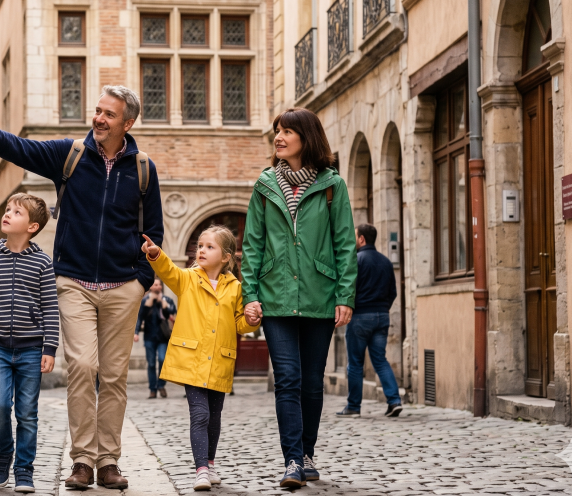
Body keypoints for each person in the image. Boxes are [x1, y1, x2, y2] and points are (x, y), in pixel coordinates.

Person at [0, 84, 163, 490]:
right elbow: (20, 149)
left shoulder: (143, 170)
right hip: (75, 283)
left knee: (114, 376)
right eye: (97, 110)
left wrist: (141, 281)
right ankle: (82, 460)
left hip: (123, 287)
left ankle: (109, 461)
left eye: (108, 114)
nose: (98, 118)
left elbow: (154, 233)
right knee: (82, 367)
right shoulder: (71, 154)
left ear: (127, 123)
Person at [240, 108, 357, 488]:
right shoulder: (265, 184)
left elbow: (344, 244)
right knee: (287, 379)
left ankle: (307, 452)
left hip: (319, 295)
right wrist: (251, 294)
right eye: (277, 130)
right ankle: (292, 460)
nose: (279, 137)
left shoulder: (331, 185)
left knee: (310, 381)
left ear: (307, 137)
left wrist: (345, 296)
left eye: (288, 131)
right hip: (275, 297)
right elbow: (252, 245)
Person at [142, 227, 260, 491]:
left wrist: (251, 320)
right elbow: (169, 271)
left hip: (219, 361)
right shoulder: (188, 279)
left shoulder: (236, 288)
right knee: (201, 414)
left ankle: (210, 461)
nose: (202, 250)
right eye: (200, 246)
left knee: (215, 416)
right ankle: (201, 469)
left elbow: (240, 323)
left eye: (209, 247)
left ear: (227, 257)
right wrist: (155, 254)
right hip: (192, 360)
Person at [0, 194, 60, 493]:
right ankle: (4, 454)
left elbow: (50, 307)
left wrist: (50, 348)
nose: (7, 214)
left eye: (16, 212)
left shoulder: (43, 262)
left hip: (32, 349)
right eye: (7, 209)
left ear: (32, 226)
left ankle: (24, 469)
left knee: (27, 412)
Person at [337, 223, 402, 418]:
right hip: (382, 316)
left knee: (355, 363)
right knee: (380, 360)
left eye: (355, 236)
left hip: (360, 317)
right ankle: (394, 401)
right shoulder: (385, 262)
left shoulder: (356, 260)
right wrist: (382, 309)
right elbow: (393, 292)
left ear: (362, 239)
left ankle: (353, 407)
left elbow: (348, 290)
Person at [134, 278, 177, 399]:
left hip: (163, 336)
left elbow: (173, 312)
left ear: (161, 287)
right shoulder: (145, 301)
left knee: (163, 360)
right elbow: (139, 317)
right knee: (151, 363)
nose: (156, 287)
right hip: (149, 337)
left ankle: (161, 385)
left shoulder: (167, 300)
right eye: (154, 285)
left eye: (158, 285)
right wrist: (136, 332)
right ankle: (153, 389)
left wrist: (164, 305)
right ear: (151, 287)